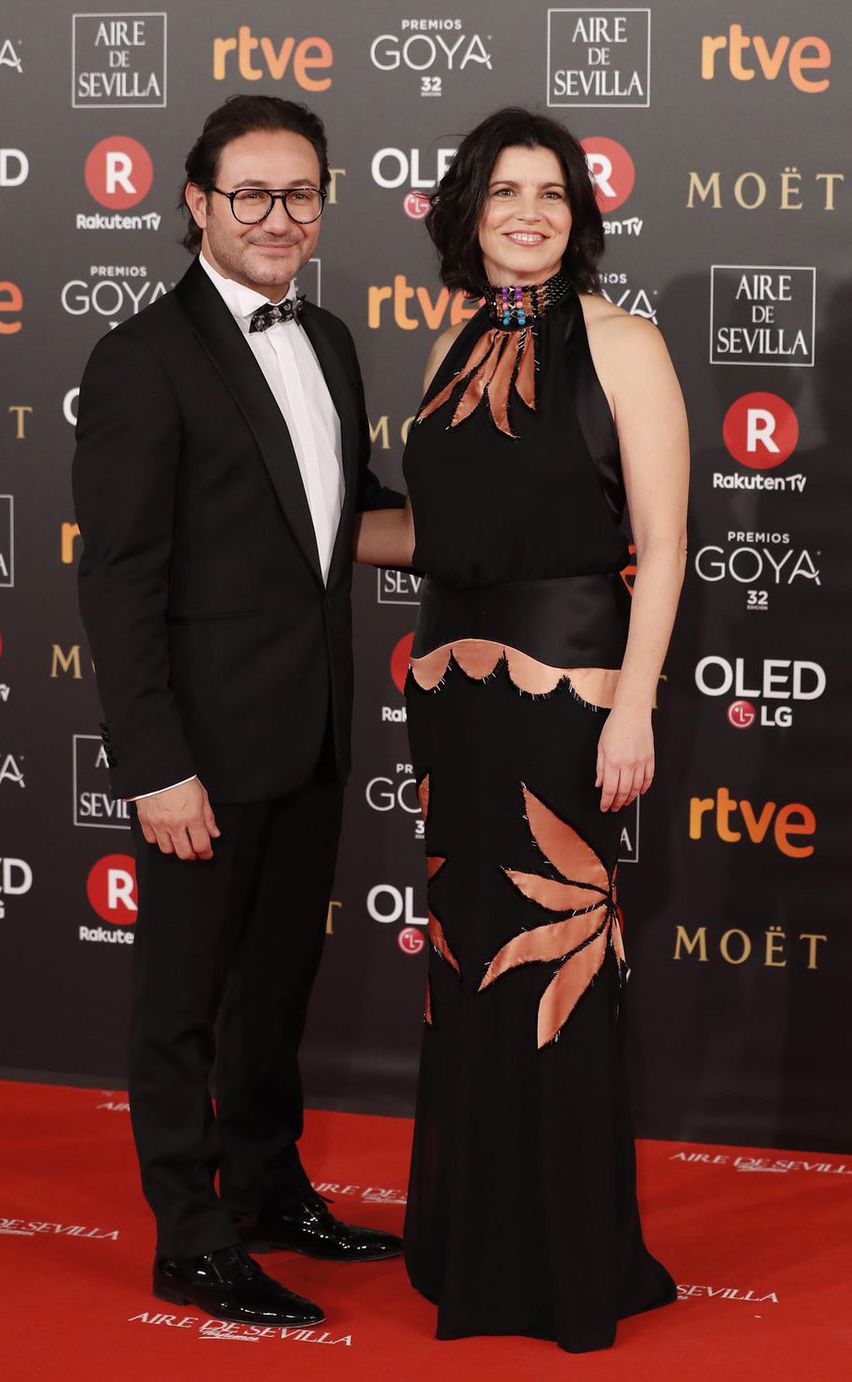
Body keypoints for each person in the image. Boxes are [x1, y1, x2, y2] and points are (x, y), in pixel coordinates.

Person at [356, 107, 687, 1352]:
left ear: (580, 216)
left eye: (552, 192)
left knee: (557, 963)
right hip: (449, 701)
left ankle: (562, 1262)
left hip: (573, 699)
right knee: (465, 971)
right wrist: (281, 520)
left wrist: (637, 700)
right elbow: (434, 536)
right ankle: (474, 1240)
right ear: (469, 211)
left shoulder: (624, 343)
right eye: (505, 191)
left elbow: (659, 550)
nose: (529, 212)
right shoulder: (448, 344)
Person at [72, 95, 404, 1330]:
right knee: (182, 1003)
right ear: (198, 205)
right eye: (252, 195)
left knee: (276, 988)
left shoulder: (328, 340)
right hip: (200, 757)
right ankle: (190, 1237)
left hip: (312, 736)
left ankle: (267, 1188)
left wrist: (520, 533)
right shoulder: (142, 359)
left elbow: (349, 513)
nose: (281, 217)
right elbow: (117, 580)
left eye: (302, 194)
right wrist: (154, 764)